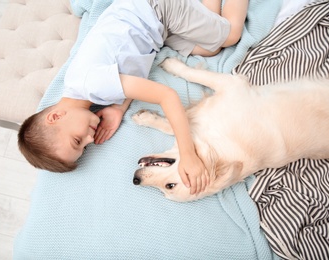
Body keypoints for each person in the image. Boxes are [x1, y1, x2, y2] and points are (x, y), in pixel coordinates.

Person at [18, 0, 249, 195]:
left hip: (155, 8)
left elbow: (166, 96)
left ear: (56, 116)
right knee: (210, 49)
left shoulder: (94, 85)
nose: (90, 139)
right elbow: (130, 73)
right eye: (85, 147)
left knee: (229, 35)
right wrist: (118, 109)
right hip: (156, 29)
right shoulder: (80, 88)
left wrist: (188, 154)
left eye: (78, 140)